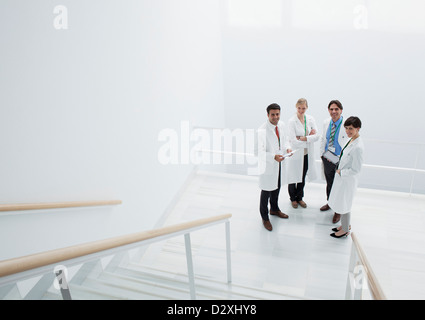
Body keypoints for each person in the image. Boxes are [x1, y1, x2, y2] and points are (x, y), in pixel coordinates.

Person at [257, 103, 292, 231]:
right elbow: (258, 152)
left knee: (276, 188)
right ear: (267, 115)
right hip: (268, 166)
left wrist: (287, 147)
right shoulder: (261, 131)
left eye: (277, 114)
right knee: (266, 191)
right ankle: (265, 218)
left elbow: (285, 139)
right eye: (273, 115)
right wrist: (273, 157)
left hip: (279, 164)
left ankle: (274, 209)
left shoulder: (281, 125)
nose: (276, 117)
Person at [328, 116, 364, 238]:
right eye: (346, 128)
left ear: (358, 129)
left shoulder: (358, 147)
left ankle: (344, 230)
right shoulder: (351, 140)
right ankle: (345, 224)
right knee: (342, 202)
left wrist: (341, 172)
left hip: (347, 179)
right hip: (342, 177)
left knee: (345, 204)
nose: (348, 131)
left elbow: (356, 169)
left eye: (351, 129)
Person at [286, 98, 320, 208]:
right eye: (299, 108)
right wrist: (308, 138)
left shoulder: (310, 119)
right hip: (296, 153)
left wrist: (303, 138)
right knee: (293, 176)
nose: (301, 110)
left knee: (302, 176)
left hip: (306, 154)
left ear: (307, 108)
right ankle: (293, 198)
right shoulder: (292, 121)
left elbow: (316, 136)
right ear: (296, 107)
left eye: (303, 108)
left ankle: (300, 198)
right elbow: (293, 140)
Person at [319, 100, 349, 223]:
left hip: (339, 159)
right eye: (331, 109)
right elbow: (323, 138)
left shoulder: (346, 124)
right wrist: (322, 155)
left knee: (339, 185)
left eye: (336, 109)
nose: (334, 111)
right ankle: (330, 203)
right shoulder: (327, 122)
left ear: (341, 110)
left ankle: (338, 211)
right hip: (327, 157)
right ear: (328, 110)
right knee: (329, 182)